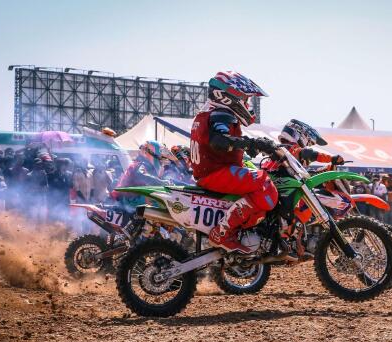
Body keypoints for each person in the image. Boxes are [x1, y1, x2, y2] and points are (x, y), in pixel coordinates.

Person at [190, 71, 275, 253]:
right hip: (215, 173)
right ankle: (222, 233)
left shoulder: (208, 113)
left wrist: (247, 146)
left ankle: (240, 234)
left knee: (257, 194)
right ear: (229, 95)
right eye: (246, 98)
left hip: (212, 172)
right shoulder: (220, 114)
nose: (248, 104)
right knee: (264, 184)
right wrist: (251, 143)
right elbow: (220, 140)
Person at [112, 140, 177, 210]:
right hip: (127, 200)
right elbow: (142, 175)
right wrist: (162, 182)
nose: (161, 160)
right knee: (160, 202)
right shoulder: (140, 165)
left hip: (129, 198)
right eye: (161, 157)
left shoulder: (144, 165)